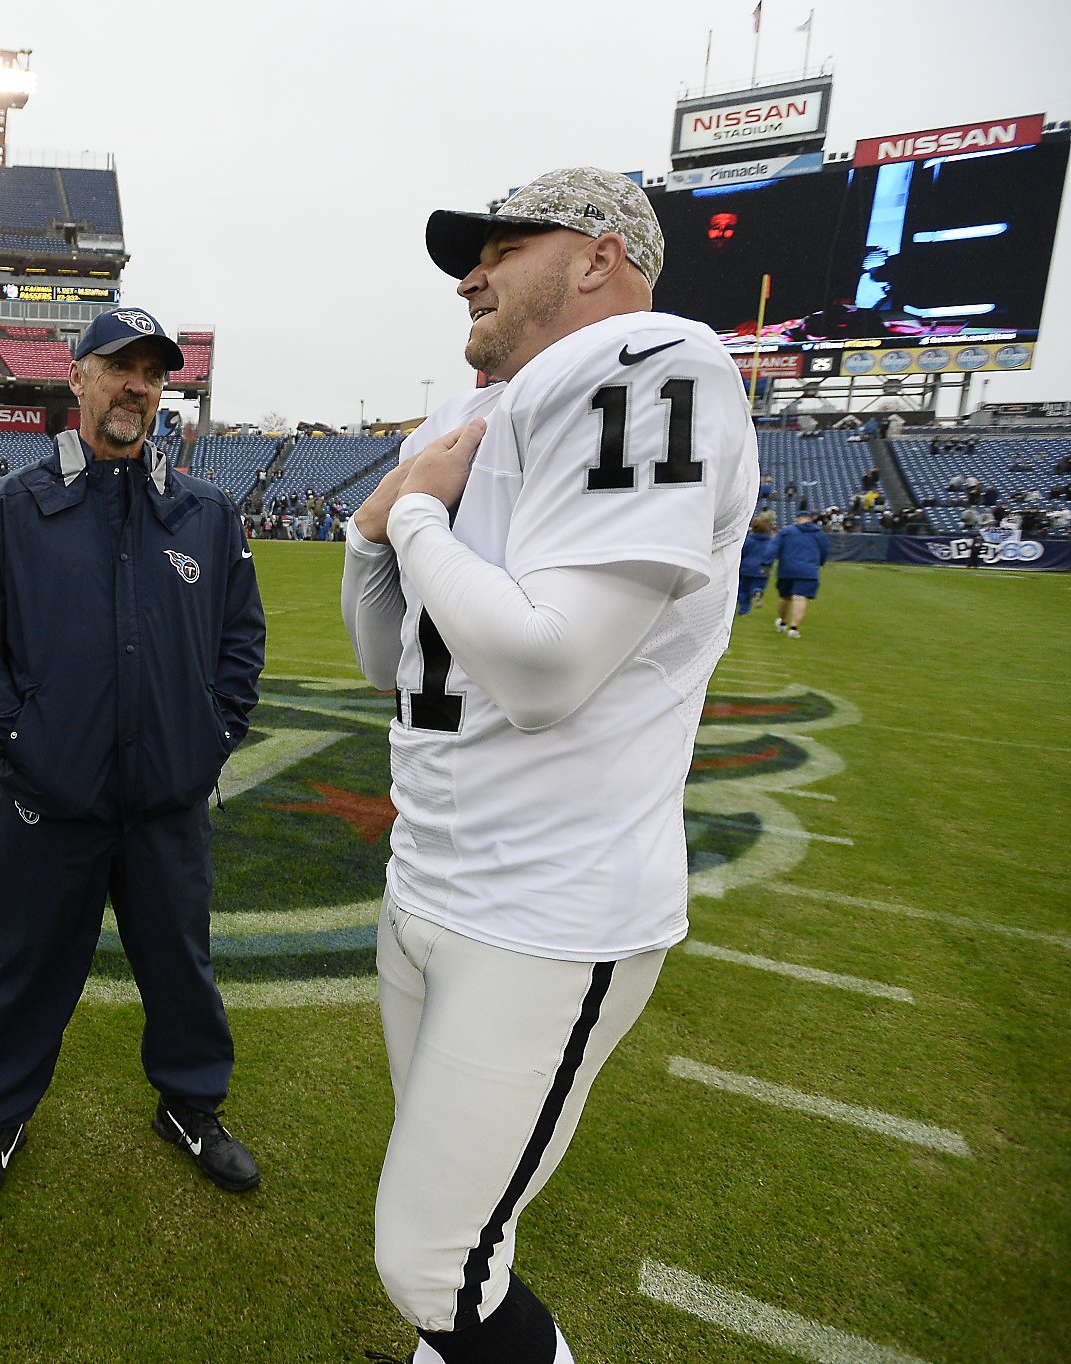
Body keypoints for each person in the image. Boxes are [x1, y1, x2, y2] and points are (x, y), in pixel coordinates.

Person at [341, 167, 756, 1364]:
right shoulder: (465, 417)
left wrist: (411, 518)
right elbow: (385, 657)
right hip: (426, 880)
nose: (469, 270)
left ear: (597, 257)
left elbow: (544, 669)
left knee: (428, 1257)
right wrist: (377, 534)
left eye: (501, 242)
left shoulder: (653, 359)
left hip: (545, 908)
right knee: (470, 1233)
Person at [0, 306, 266, 1212]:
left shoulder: (207, 513)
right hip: (50, 804)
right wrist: (27, 747)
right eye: (119, 366)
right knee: (23, 967)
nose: (138, 387)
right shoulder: (9, 508)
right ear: (75, 378)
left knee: (181, 966)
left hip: (166, 802)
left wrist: (210, 739)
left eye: (154, 373)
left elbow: (242, 644)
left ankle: (191, 1106)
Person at [775, 510, 829, 637]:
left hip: (787, 569)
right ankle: (794, 628)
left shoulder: (787, 531)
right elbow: (824, 551)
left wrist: (768, 561)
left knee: (785, 597)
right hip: (808, 570)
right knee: (800, 597)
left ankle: (782, 622)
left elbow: (775, 546)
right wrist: (819, 563)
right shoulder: (818, 533)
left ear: (797, 519)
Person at [737, 512, 779, 615]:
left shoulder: (748, 540)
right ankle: (757, 591)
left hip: (747, 568)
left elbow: (742, 553)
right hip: (763, 569)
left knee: (743, 590)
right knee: (759, 584)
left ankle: (744, 610)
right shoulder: (771, 542)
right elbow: (772, 554)